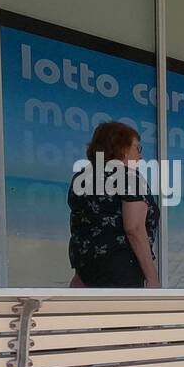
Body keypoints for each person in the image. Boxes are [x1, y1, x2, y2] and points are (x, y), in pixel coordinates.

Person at [67, 121, 159, 288]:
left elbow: (85, 228)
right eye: (137, 148)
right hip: (122, 271)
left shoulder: (82, 178)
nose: (141, 156)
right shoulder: (128, 177)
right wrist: (153, 278)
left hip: (86, 271)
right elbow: (134, 229)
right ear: (122, 149)